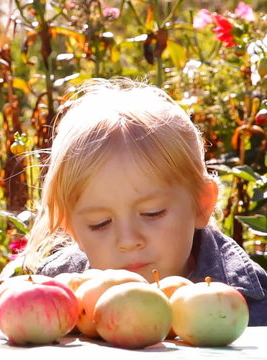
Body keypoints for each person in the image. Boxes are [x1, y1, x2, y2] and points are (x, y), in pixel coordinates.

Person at [21, 78, 267, 326]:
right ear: (70, 227)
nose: (128, 241)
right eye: (100, 223)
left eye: (152, 213)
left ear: (201, 204)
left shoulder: (252, 307)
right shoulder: (57, 295)